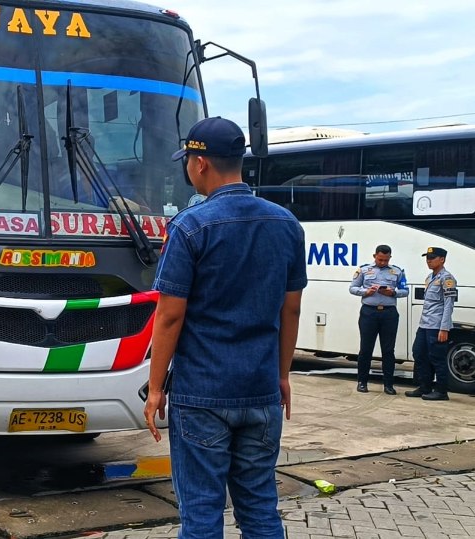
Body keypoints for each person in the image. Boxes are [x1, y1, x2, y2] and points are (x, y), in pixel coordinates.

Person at [142, 117, 307, 538]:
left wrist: (156, 386)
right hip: (261, 389)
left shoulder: (189, 226)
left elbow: (169, 316)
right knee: (259, 508)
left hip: (202, 394)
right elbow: (291, 311)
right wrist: (282, 374)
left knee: (201, 513)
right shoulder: (286, 224)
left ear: (199, 164)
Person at [349, 245, 408, 394]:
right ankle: (362, 382)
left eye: (386, 260)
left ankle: (388, 385)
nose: (383, 262)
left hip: (389, 314)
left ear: (390, 258)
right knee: (366, 349)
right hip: (369, 313)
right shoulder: (364, 270)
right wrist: (366, 291)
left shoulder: (397, 271)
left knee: (388, 350)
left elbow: (405, 291)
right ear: (374, 256)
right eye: (380, 259)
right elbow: (352, 288)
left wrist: (393, 292)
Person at [405, 247, 456, 401]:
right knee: (419, 353)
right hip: (425, 324)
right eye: (427, 257)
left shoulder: (447, 279)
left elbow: (448, 305)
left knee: (437, 358)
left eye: (432, 257)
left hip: (437, 326)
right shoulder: (429, 277)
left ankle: (441, 391)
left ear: (442, 259)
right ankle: (425, 386)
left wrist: (444, 328)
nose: (428, 260)